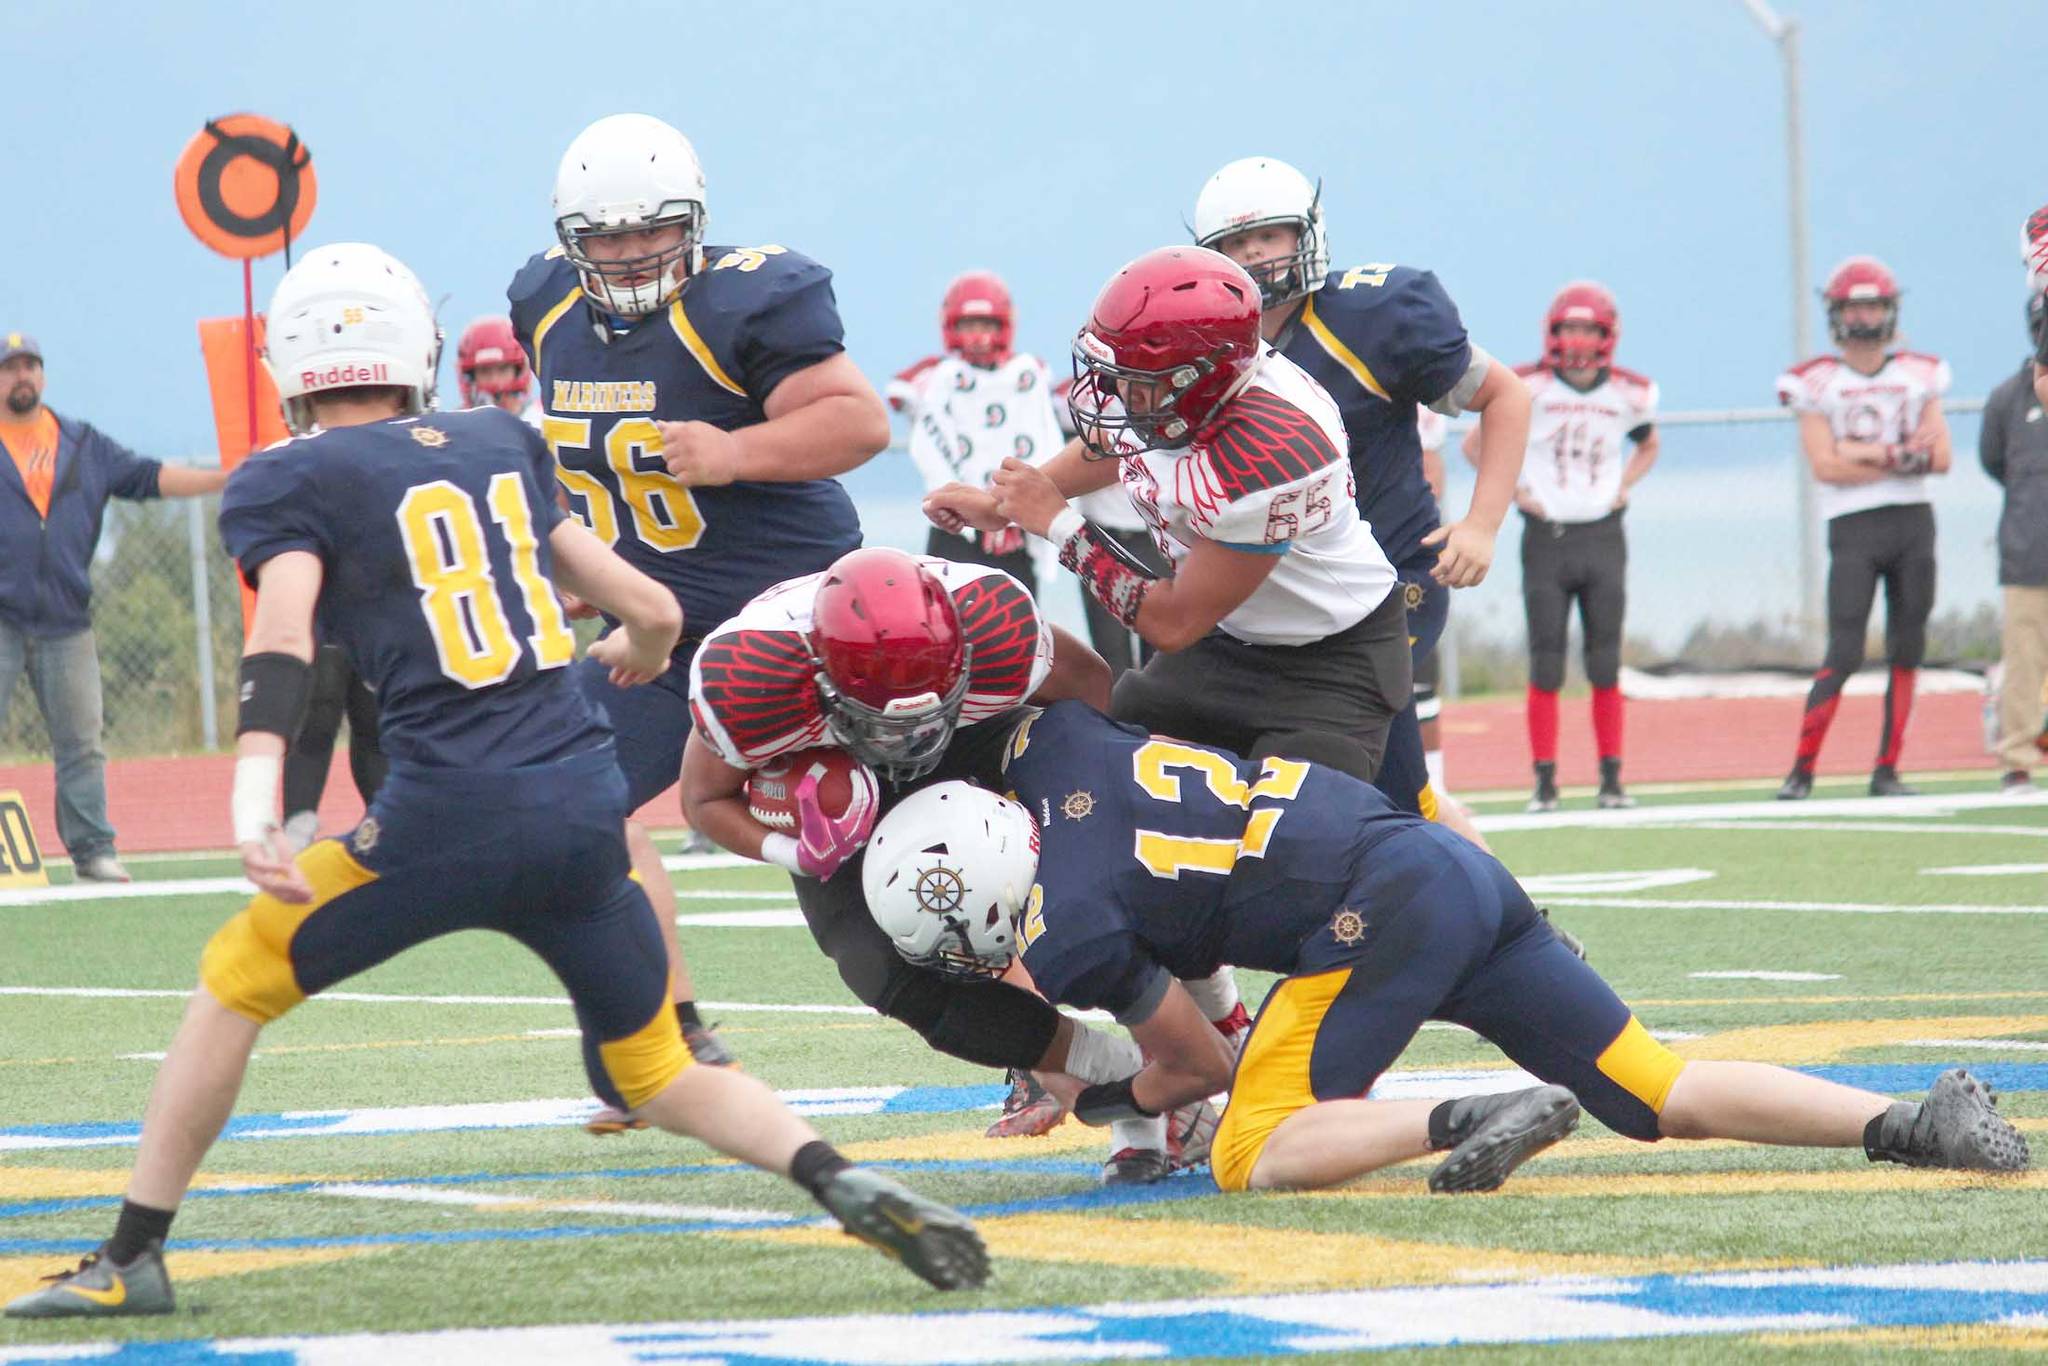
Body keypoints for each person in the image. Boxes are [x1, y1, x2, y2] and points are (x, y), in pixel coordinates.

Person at [2, 247, 984, 1320]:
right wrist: (633, 652)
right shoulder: (499, 441)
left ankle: (133, 1254)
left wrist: (253, 797)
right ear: (417, 352)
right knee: (654, 1066)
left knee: (234, 978)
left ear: (291, 366)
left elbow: (282, 633)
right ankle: (829, 1175)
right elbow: (648, 607)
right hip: (579, 809)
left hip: (443, 812)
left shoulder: (290, 475)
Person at [865, 701, 2030, 1196]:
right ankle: (1900, 1124)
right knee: (1647, 1085)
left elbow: (1195, 1068)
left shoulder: (1067, 930)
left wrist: (1076, 1088)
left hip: (1367, 914)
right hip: (1450, 867)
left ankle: (1461, 1116)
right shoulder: (1057, 740)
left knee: (1246, 1146)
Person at [509, 112, 889, 1097]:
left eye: (651, 231)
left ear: (694, 223)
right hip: (657, 628)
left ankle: (1034, 1033)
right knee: (570, 797)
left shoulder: (748, 301)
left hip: (791, 619)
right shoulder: (545, 308)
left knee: (901, 839)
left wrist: (736, 452)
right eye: (607, 238)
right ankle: (670, 1032)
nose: (631, 254)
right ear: (570, 242)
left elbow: (859, 421)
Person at [680, 547, 1210, 1183]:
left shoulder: (997, 627)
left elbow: (1089, 693)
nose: (911, 734)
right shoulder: (750, 677)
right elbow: (704, 798)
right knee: (885, 971)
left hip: (977, 730)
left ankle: (1215, 1017)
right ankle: (1113, 1073)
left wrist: (1087, 815)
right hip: (842, 767)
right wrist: (798, 849)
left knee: (1103, 879)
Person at [929, 247, 1412, 789]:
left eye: (1134, 379)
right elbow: (1116, 444)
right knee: (1108, 775)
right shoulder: (1184, 391)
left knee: (1292, 836)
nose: (1113, 393)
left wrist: (1058, 524)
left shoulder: (1275, 453)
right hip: (1231, 640)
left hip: (1331, 665)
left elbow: (1173, 622)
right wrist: (1003, 507)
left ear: (1196, 378)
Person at [1191, 156, 1531, 827]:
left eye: (1270, 235)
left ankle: (1512, 928)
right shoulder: (1205, 343)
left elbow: (1506, 395)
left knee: (1378, 795)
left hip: (1385, 584)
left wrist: (1482, 524)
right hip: (1278, 597)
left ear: (1307, 234)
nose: (1254, 254)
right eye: (1234, 243)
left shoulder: (1371, 315)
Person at [0, 332, 230, 883]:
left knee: (82, 742)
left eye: (30, 365)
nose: (21, 376)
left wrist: (225, 477)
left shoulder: (82, 445)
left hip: (67, 621)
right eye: (10, 368)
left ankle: (93, 852)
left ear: (45, 377)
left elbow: (150, 477)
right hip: (2, 618)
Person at [1477, 282, 1658, 812]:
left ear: (1607, 335)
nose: (1578, 339)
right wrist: (1517, 491)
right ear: (1553, 333)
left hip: (1602, 535)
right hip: (1547, 538)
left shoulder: (1629, 393)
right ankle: (1545, 782)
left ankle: (1611, 779)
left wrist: (1625, 485)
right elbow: (1477, 443)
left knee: (1605, 661)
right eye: (1570, 328)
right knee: (1547, 660)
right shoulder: (1526, 385)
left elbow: (1649, 442)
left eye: (1587, 329)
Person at [1776, 257, 1952, 801]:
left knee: (1907, 647)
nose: (1865, 315)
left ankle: (1888, 769)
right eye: (1855, 306)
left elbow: (1941, 456)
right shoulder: (1816, 382)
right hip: (1852, 528)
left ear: (1890, 308)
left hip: (1912, 523)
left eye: (1873, 304)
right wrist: (1897, 454)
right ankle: (1802, 770)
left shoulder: (1920, 374)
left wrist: (1861, 452)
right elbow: (1825, 465)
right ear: (1836, 313)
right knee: (1844, 650)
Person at [885, 271, 1055, 595]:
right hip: (955, 518)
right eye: (969, 326)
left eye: (986, 325)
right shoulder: (937, 375)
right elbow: (898, 394)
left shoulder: (1028, 372)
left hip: (1012, 523)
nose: (978, 336)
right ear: (953, 328)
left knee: (1018, 610)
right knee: (947, 606)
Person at [1981, 293, 2048, 794]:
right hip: (2029, 550)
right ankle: (2017, 759)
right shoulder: (2009, 398)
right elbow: (1993, 462)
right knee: (2024, 658)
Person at [278, 644, 385, 852]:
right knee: (318, 722)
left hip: (375, 622)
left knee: (373, 725)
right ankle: (296, 836)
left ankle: (384, 830)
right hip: (323, 622)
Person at [456, 315, 541, 425]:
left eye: (503, 369)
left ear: (518, 371)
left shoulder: (540, 421)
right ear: (471, 376)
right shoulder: (458, 426)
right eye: (485, 371)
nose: (495, 380)